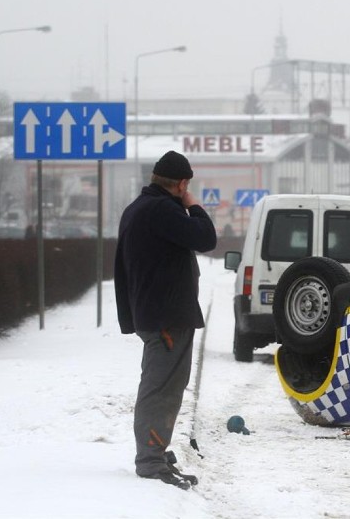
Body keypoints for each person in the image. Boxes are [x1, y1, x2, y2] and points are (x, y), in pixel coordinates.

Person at [114, 151, 217, 489]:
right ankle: (150, 460)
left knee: (162, 385)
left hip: (156, 313)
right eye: (187, 186)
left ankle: (155, 451)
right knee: (162, 389)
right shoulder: (161, 209)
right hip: (166, 316)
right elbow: (205, 238)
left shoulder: (138, 209)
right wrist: (193, 205)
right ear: (182, 183)